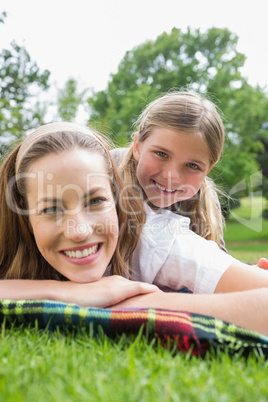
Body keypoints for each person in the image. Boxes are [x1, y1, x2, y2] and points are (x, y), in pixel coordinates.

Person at [0, 122, 268, 336]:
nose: (79, 231)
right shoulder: (8, 237)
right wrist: (69, 293)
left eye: (96, 201)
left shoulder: (156, 239)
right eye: (51, 209)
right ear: (24, 216)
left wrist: (149, 305)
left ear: (116, 200)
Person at [111, 90, 268, 270]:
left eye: (193, 166)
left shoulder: (205, 200)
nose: (172, 176)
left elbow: (216, 260)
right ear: (137, 145)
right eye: (161, 154)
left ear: (208, 170)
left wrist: (244, 276)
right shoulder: (108, 172)